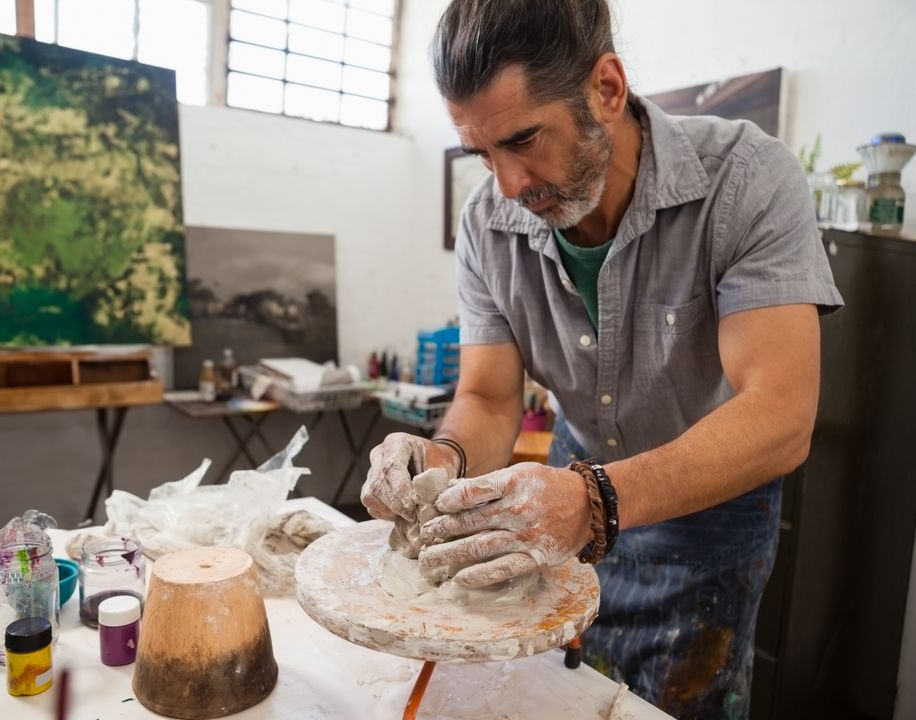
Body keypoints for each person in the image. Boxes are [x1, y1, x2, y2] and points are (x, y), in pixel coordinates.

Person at [360, 0, 843, 717]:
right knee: (567, 694)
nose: (509, 186)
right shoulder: (488, 224)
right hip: (563, 494)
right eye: (482, 154)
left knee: (681, 702)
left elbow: (780, 415)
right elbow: (491, 400)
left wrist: (596, 500)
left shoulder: (746, 179)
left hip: (710, 505)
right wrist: (438, 465)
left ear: (607, 89)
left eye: (524, 139)